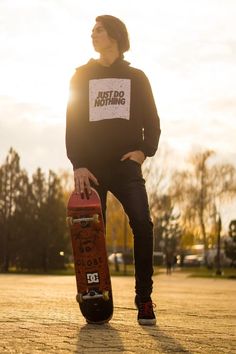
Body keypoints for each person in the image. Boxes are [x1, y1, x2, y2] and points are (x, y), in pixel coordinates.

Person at [66, 15, 161, 325]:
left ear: (116, 36)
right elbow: (73, 125)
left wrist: (144, 152)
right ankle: (96, 296)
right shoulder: (81, 76)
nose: (93, 34)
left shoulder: (137, 78)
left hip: (125, 166)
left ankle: (144, 299)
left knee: (143, 225)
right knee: (91, 235)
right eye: (92, 30)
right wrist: (78, 164)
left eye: (99, 30)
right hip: (91, 170)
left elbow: (153, 123)